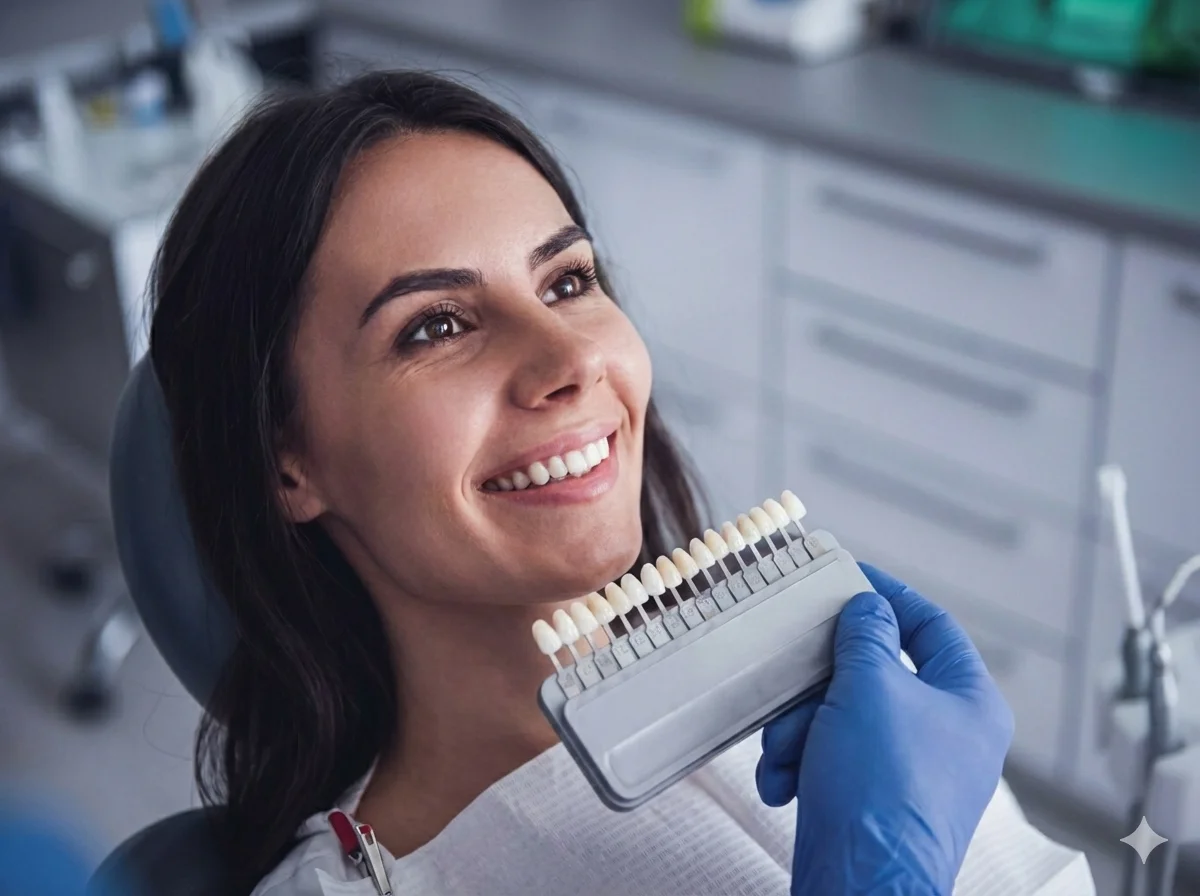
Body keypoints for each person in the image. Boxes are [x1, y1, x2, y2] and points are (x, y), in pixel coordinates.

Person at [147, 70, 1094, 895]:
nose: (570, 359)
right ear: (287, 459)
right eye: (436, 325)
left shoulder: (834, 696)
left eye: (566, 282)